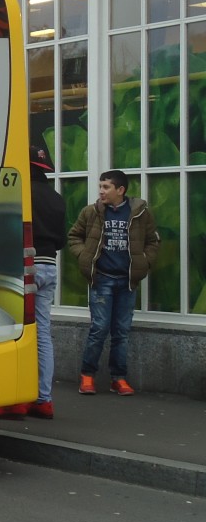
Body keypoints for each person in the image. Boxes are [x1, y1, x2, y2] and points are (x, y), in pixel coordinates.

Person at [0, 144, 67, 420]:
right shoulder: (56, 198)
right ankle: (43, 400)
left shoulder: (19, 192)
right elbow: (61, 241)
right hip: (49, 266)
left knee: (11, 332)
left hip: (22, 266)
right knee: (42, 335)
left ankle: (14, 400)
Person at [67, 169, 160, 395]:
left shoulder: (139, 213)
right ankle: (87, 375)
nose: (101, 191)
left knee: (121, 332)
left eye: (106, 187)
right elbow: (73, 236)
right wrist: (84, 256)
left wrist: (145, 261)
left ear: (120, 190)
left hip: (127, 282)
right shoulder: (91, 212)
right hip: (102, 279)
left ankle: (118, 378)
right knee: (99, 329)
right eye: (100, 186)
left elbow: (153, 240)